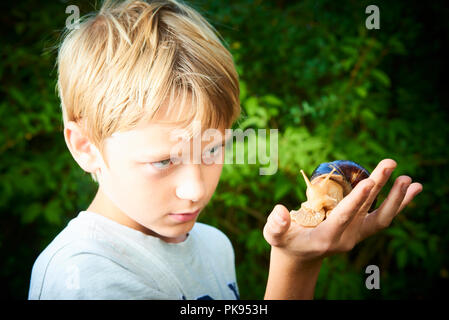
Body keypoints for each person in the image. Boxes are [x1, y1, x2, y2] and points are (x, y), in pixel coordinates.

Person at [28, 0, 422, 300]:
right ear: (86, 147)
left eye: (213, 149)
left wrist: (298, 260)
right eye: (164, 160)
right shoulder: (86, 279)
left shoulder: (213, 245)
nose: (197, 190)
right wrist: (295, 266)